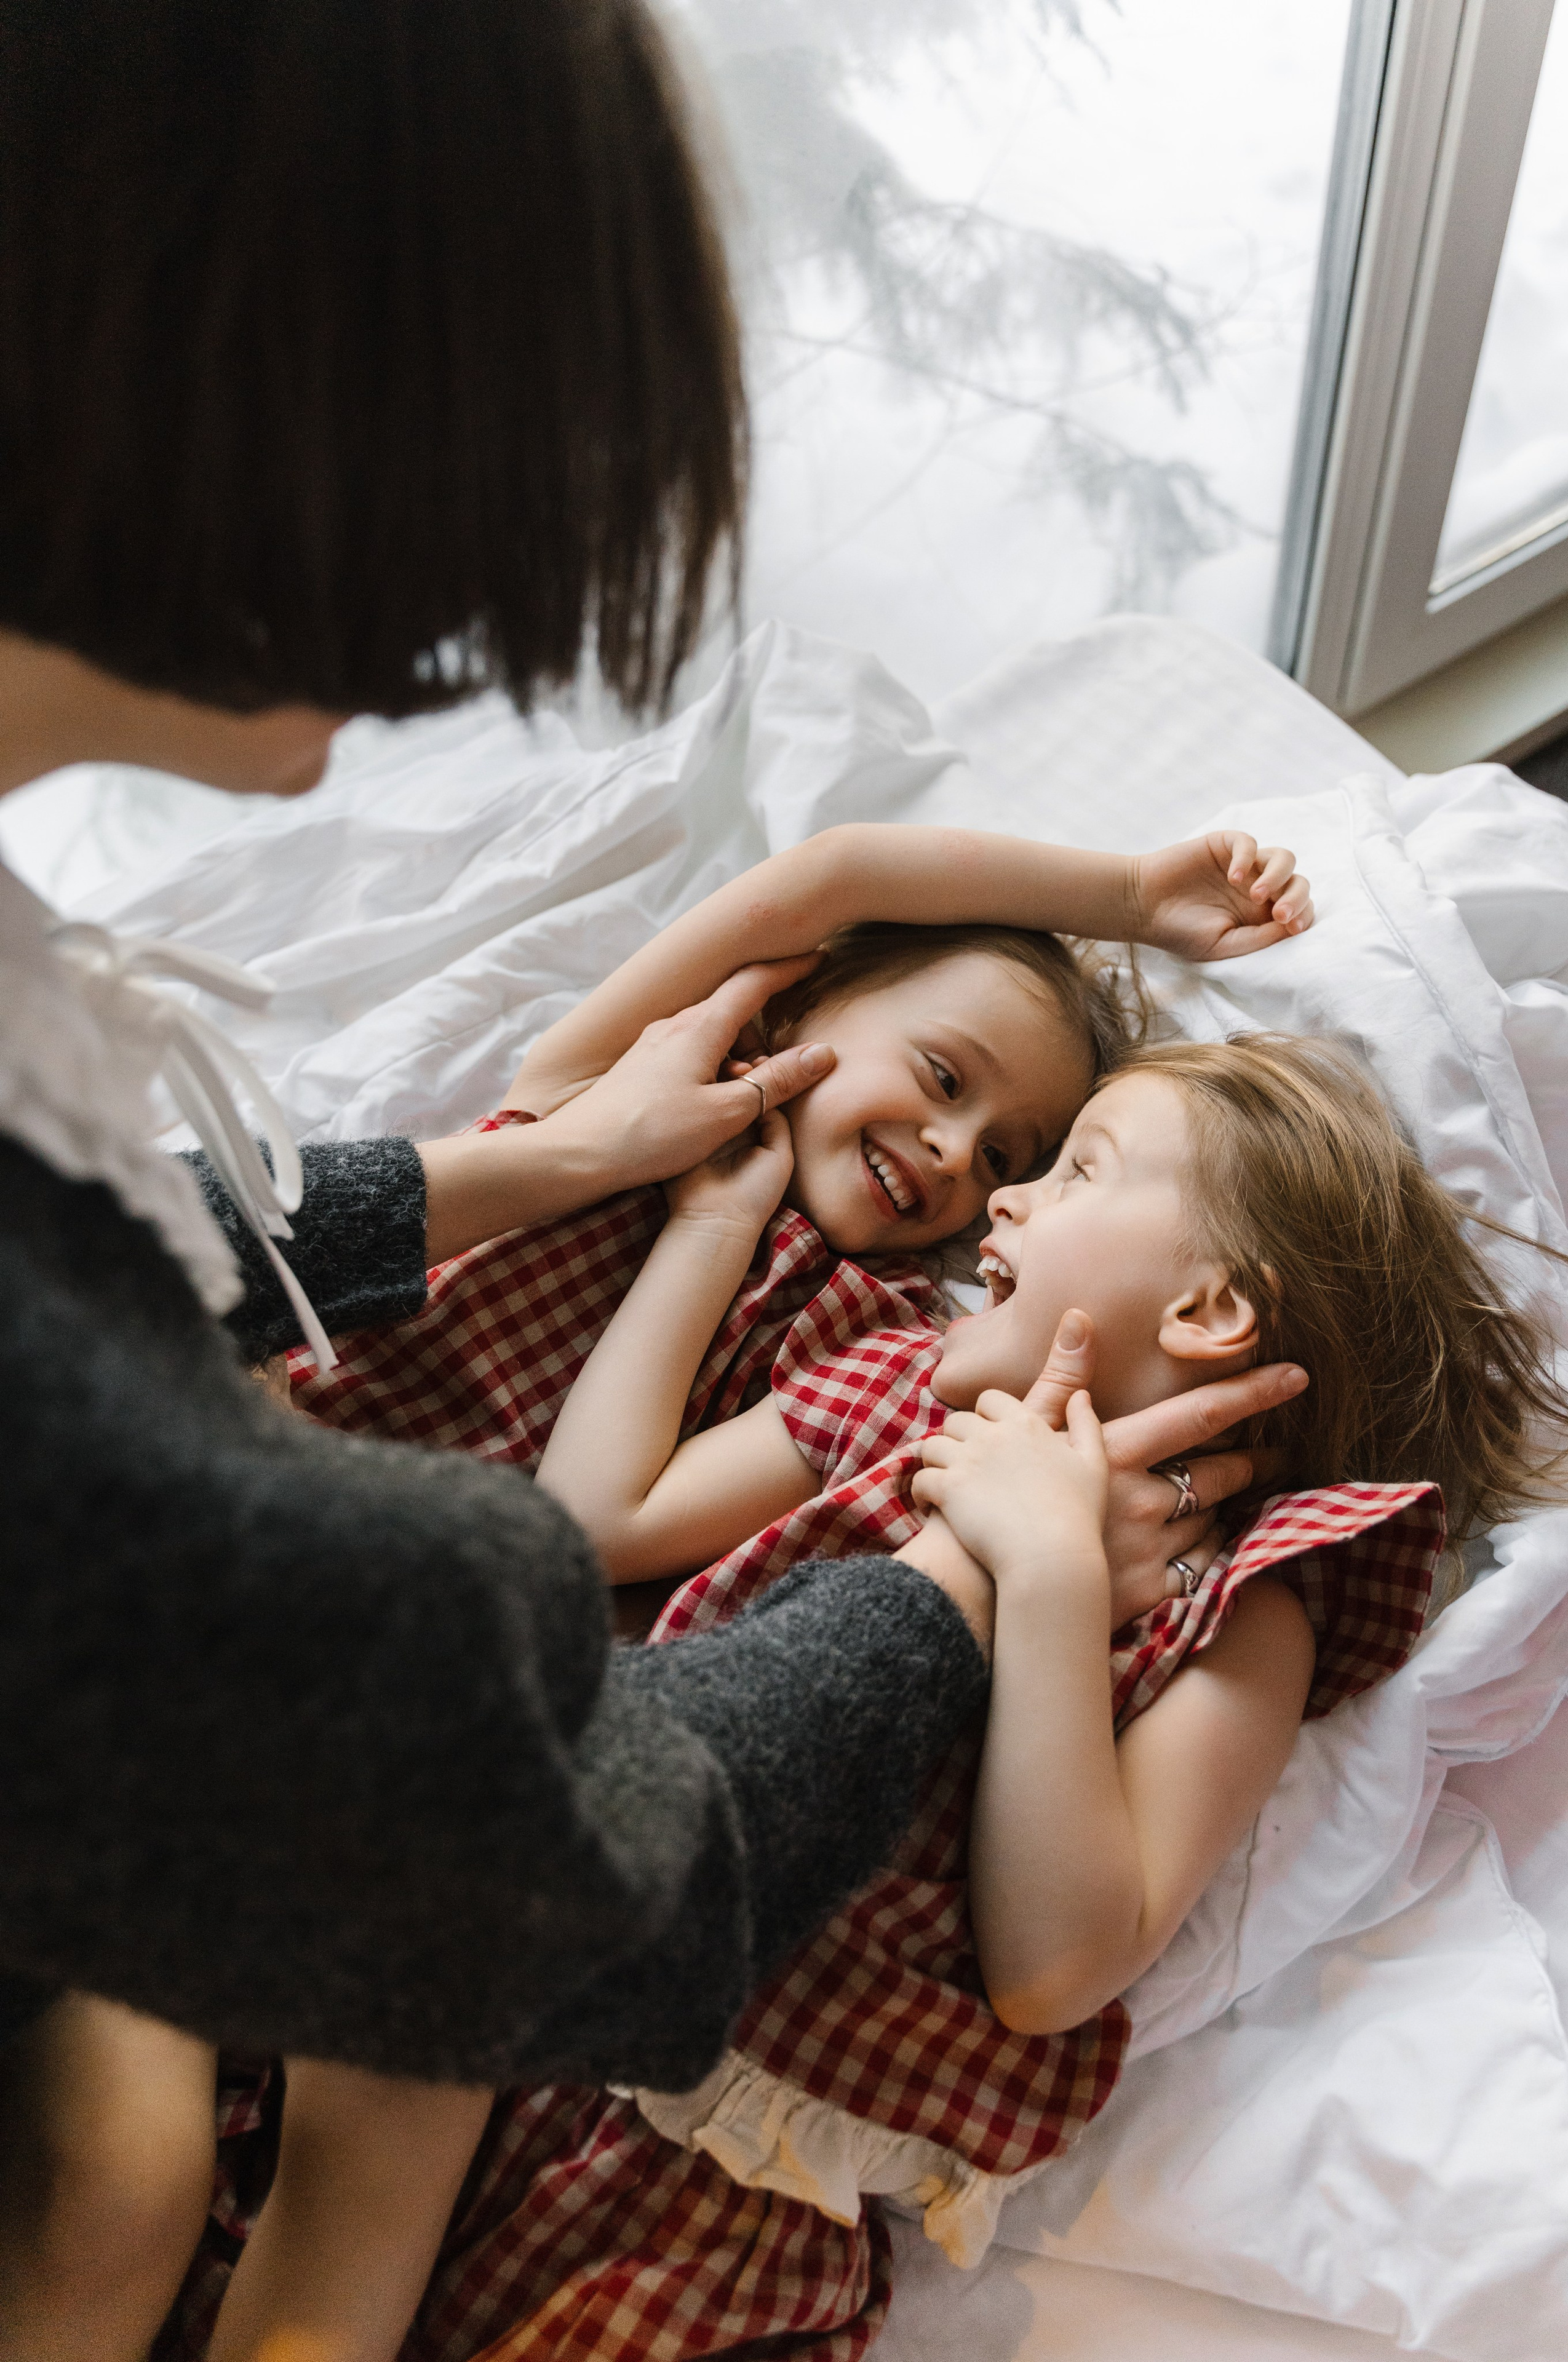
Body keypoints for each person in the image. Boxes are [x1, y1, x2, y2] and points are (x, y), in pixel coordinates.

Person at [0, 7, 1306, 2359]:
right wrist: (947, 1563)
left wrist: (554, 1185)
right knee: (161, 2161)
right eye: (467, 458)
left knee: (121, 2172)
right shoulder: (756, 1268)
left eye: (1032, 1154)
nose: (465, 619)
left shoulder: (926, 1355)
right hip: (435, 1813)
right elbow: (544, 1803)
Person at [336, 1030, 1561, 2362]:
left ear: (1209, 1311)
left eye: (1075, 1169)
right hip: (517, 1954)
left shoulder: (1241, 1606)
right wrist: (714, 1221)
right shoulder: (896, 1380)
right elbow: (594, 1520)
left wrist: (1043, 1576)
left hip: (696, 2194)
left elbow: (1054, 1970)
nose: (1004, 1198)